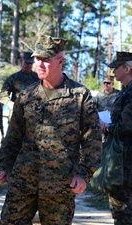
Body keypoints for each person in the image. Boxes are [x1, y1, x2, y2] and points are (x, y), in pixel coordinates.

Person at [0, 35, 102, 224]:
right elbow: (13, 136)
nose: (39, 64)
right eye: (37, 59)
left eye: (45, 59)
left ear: (60, 61)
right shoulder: (27, 95)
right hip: (23, 181)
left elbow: (92, 139)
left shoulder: (80, 96)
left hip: (60, 186)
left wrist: (84, 174)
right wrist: (4, 165)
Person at [100, 51, 132, 225]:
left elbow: (127, 126)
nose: (113, 71)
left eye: (116, 67)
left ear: (127, 69)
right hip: (121, 157)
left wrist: (107, 127)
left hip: (125, 162)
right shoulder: (125, 92)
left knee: (123, 211)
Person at [0, 51, 39, 118]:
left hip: (33, 116)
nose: (29, 65)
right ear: (21, 61)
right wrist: (12, 104)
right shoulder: (13, 78)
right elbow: (2, 96)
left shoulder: (38, 78)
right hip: (16, 115)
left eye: (30, 63)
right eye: (26, 63)